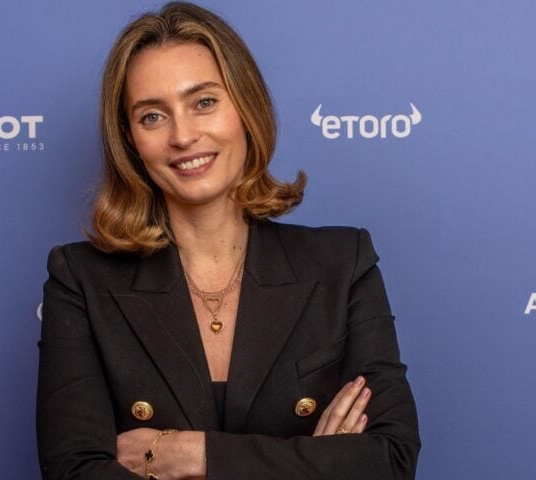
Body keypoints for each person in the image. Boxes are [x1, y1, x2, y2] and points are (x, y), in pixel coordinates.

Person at [36, 2, 420, 479]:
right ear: (130, 141)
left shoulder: (342, 263)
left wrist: (192, 455)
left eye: (204, 102)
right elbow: (74, 472)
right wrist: (312, 464)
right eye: (152, 116)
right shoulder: (81, 280)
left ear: (246, 107)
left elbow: (388, 461)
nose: (183, 136)